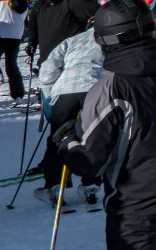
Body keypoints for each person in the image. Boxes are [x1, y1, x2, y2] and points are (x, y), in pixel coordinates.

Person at [53, 0, 156, 250]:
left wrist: (67, 143)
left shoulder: (109, 90)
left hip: (136, 206)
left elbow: (90, 163)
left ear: (104, 41)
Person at [36, 22, 105, 207]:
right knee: (92, 137)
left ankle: (54, 186)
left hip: (66, 90)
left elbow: (48, 67)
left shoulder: (73, 40)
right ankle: (91, 185)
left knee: (58, 138)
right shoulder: (111, 38)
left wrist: (50, 93)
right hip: (97, 90)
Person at [25, 0, 99, 71]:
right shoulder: (39, 5)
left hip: (70, 65)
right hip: (47, 65)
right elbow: (33, 25)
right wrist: (32, 42)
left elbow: (101, 13)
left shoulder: (72, 2)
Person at [0, 0, 28, 102]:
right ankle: (17, 93)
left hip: (5, 33)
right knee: (11, 65)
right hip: (14, 34)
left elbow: (21, 10)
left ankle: (17, 93)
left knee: (11, 65)